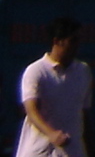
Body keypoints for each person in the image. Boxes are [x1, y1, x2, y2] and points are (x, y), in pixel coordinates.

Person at [16, 17, 91, 157]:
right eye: (72, 40)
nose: (77, 45)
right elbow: (31, 110)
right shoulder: (37, 71)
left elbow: (84, 113)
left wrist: (88, 146)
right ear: (57, 41)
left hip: (72, 151)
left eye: (78, 40)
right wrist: (51, 133)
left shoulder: (83, 71)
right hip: (39, 151)